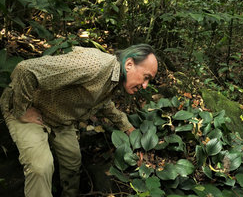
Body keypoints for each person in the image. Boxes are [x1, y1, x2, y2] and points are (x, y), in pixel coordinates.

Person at [0, 44, 158, 197]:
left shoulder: (114, 78)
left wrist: (127, 128)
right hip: (28, 107)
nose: (145, 85)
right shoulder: (94, 64)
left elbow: (104, 104)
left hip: (60, 118)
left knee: (72, 163)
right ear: (129, 64)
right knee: (41, 167)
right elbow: (26, 70)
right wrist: (22, 109)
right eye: (146, 77)